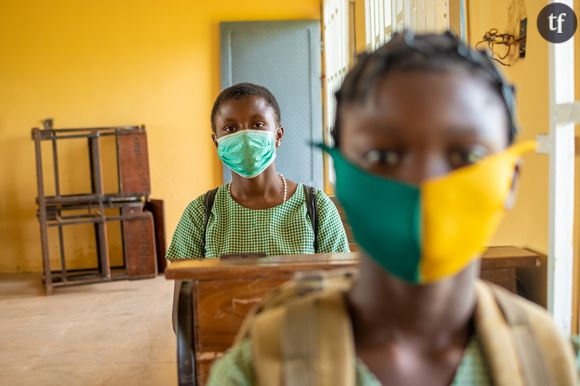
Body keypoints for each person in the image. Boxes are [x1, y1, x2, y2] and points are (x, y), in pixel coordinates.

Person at [206, 32, 577, 386]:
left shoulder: (556, 364)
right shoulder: (260, 370)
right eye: (383, 155)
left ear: (510, 179)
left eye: (465, 155)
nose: (423, 182)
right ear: (341, 175)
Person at [166, 82, 349, 260]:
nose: (245, 136)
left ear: (278, 135)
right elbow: (185, 287)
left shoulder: (316, 207)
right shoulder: (200, 213)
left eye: (258, 124)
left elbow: (341, 280)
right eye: (230, 128)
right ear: (217, 143)